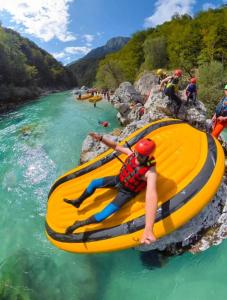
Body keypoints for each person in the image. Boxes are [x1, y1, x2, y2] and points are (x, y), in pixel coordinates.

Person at [64, 133, 158, 245]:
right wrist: (101, 138)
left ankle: (79, 223)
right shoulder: (132, 154)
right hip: (118, 179)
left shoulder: (150, 173)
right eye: (137, 153)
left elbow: (151, 196)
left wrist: (148, 227)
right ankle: (78, 201)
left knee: (102, 215)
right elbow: (116, 146)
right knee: (94, 183)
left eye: (141, 156)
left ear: (148, 157)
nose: (137, 157)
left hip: (127, 192)